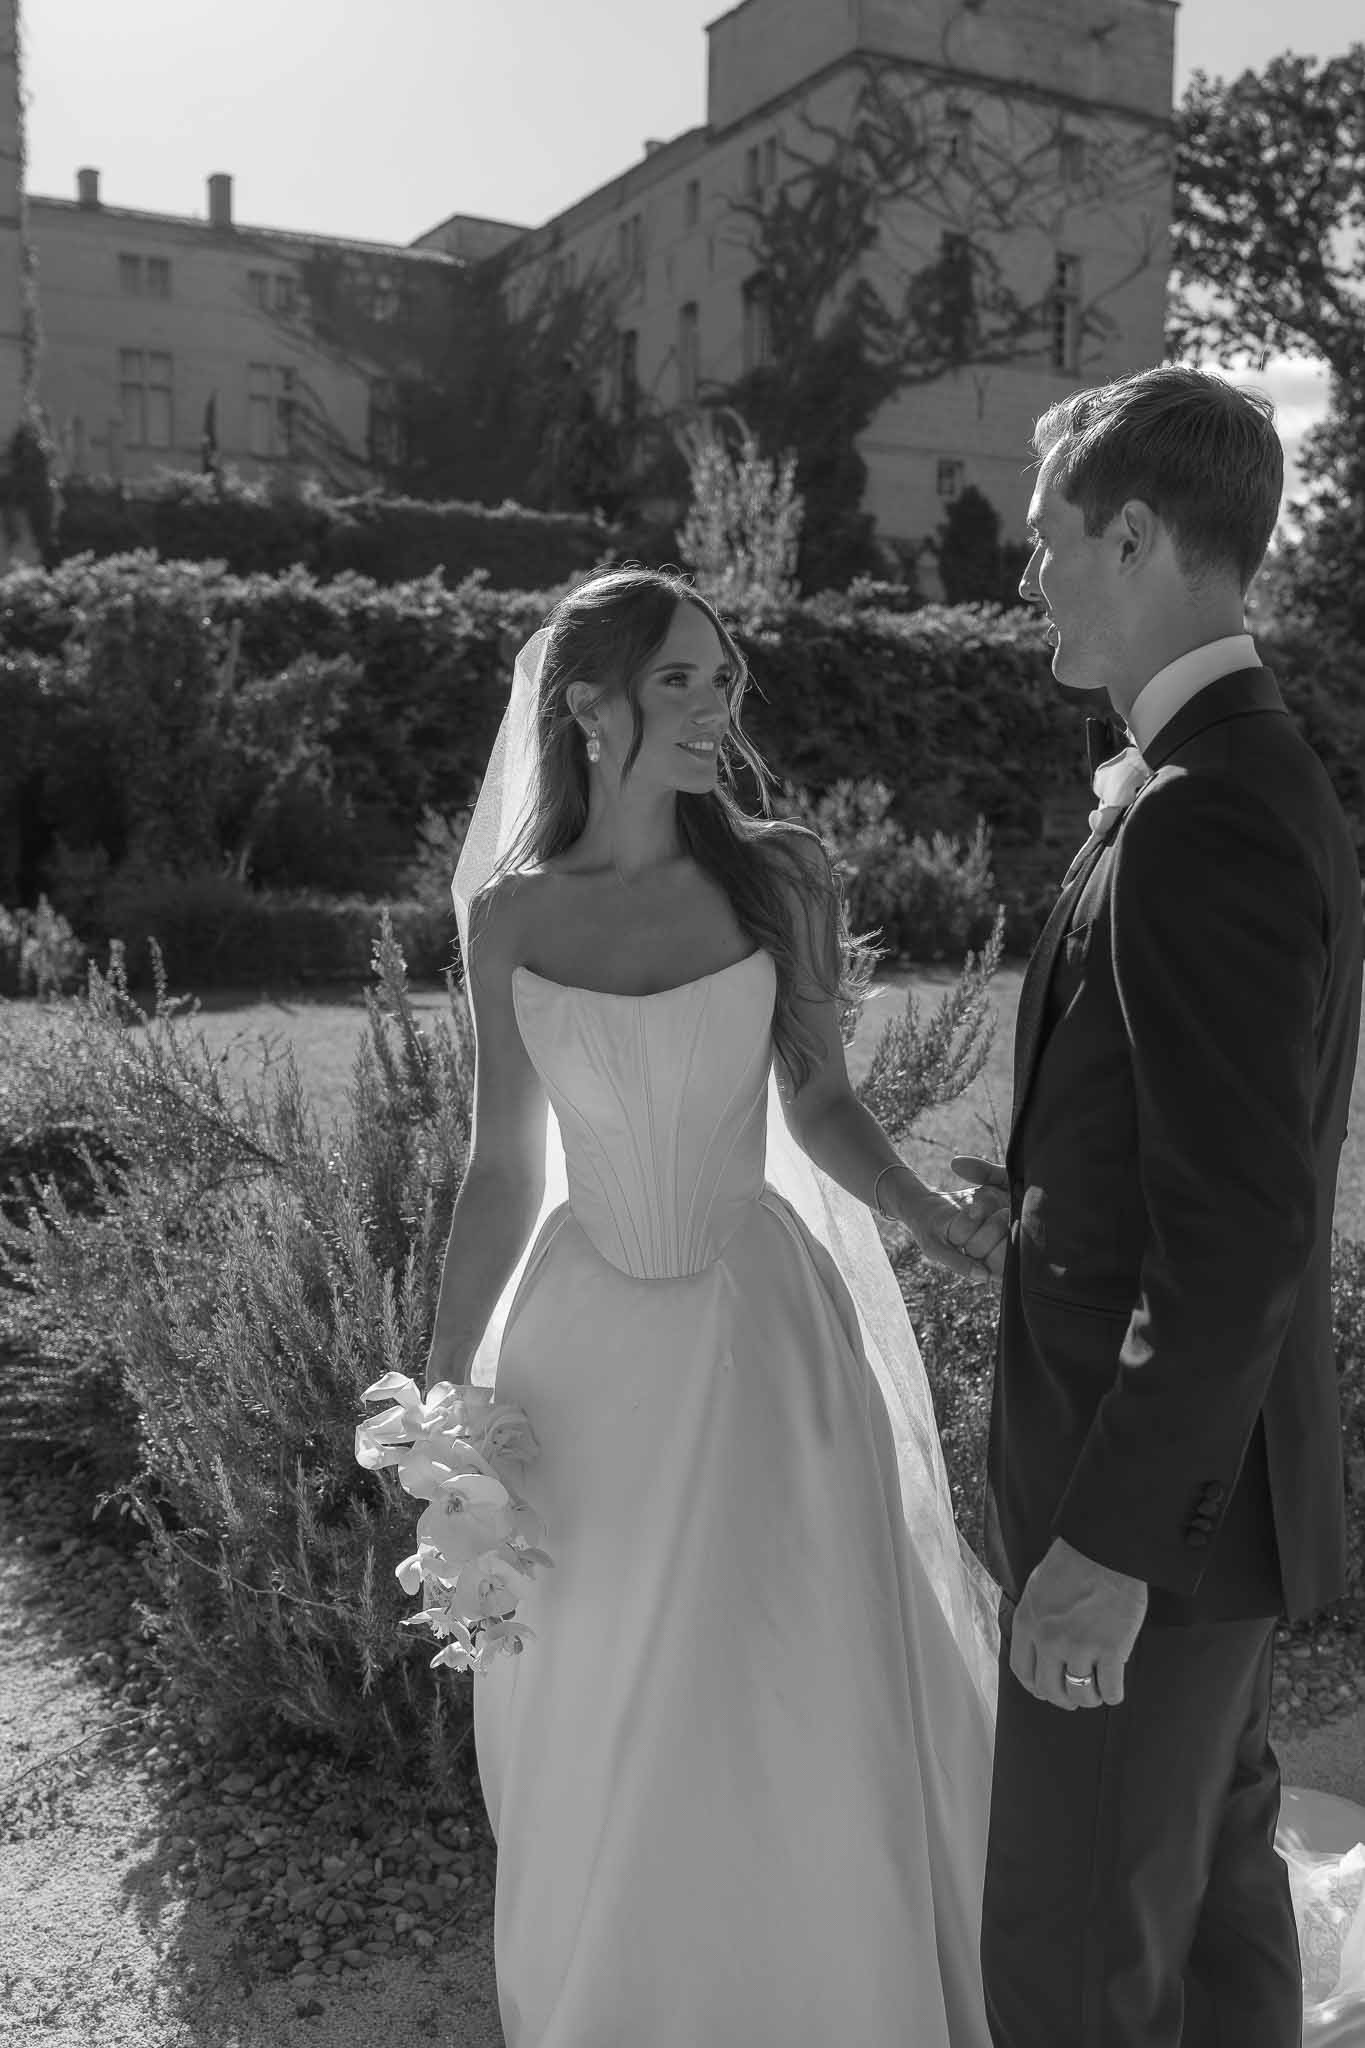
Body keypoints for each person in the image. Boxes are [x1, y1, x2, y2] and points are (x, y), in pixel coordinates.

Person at [428, 568, 1008, 2048]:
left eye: (721, 679)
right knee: (605, 1687)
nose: (712, 708)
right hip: (575, 1362)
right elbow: (498, 1170)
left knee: (788, 1663)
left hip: (762, 1341)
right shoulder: (509, 917)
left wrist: (936, 1222)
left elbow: (817, 1103)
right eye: (677, 680)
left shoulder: (778, 873)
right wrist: (439, 1405)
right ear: (584, 704)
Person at [949, 364, 1365, 2047]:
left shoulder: (1201, 813)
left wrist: (1106, 1548)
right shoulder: (1221, 775)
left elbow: (1242, 1225)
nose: (1028, 574)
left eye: (1047, 540)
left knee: (1071, 1946)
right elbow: (1199, 1151)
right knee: (1203, 1894)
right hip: (1204, 1495)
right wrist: (1045, 1187)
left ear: (1130, 535)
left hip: (1144, 1506)